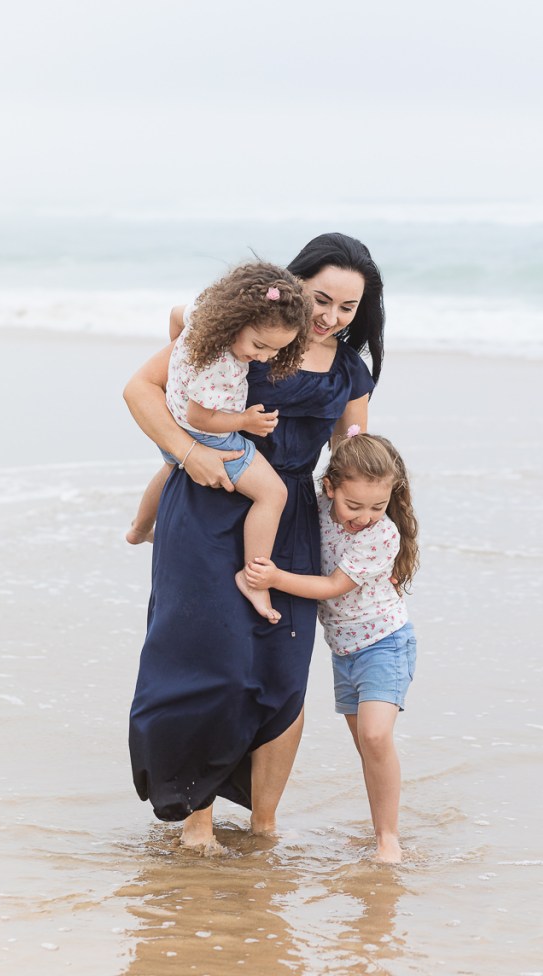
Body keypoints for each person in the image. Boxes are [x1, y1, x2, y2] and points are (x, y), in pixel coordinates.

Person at [125, 233, 385, 852]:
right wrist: (187, 453)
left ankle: (264, 825)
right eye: (321, 299)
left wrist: (376, 535)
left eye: (347, 308)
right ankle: (196, 822)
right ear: (294, 285)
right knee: (210, 663)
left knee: (281, 675)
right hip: (209, 504)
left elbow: (352, 460)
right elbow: (143, 387)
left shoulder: (353, 371)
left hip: (289, 519)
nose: (330, 317)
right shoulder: (249, 332)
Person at [244, 432, 419, 863]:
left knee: (376, 736)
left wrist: (273, 579)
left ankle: (388, 839)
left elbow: (333, 586)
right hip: (344, 652)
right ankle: (380, 828)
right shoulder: (318, 511)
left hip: (385, 643)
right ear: (330, 488)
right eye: (353, 505)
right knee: (368, 748)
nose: (365, 517)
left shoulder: (383, 535)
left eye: (377, 506)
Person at [125, 261, 311, 623]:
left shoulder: (204, 314)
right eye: (259, 345)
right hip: (204, 433)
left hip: (171, 414)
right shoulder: (221, 365)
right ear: (236, 321)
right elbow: (202, 417)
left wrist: (181, 356)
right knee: (273, 494)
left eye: (275, 352)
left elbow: (176, 316)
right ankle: (253, 577)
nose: (263, 357)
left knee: (169, 465)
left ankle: (139, 528)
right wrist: (245, 421)